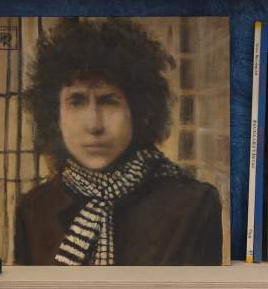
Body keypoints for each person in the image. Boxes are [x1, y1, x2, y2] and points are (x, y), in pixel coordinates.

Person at [15, 20, 223, 266]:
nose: (94, 125)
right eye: (77, 102)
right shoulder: (34, 209)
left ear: (138, 110)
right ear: (54, 114)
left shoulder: (194, 206)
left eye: (109, 101)